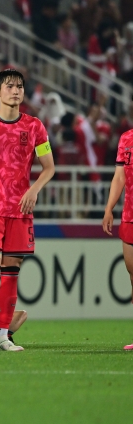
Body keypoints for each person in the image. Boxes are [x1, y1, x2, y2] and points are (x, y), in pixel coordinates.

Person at [0, 70, 55, 352]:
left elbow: (49, 167)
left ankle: (2, 336)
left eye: (19, 86)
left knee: (11, 273)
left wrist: (34, 190)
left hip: (19, 208)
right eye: (9, 86)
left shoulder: (34, 126)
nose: (15, 91)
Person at [102, 127, 133, 351]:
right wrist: (109, 208)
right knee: (132, 273)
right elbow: (120, 176)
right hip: (130, 215)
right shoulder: (126, 138)